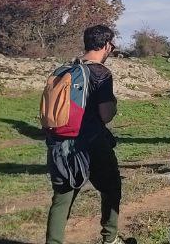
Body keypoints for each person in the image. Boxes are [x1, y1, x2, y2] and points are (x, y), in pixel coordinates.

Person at [44, 25, 123, 244]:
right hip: (91, 143)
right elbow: (106, 115)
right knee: (111, 187)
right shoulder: (101, 73)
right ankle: (110, 238)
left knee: (62, 198)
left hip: (60, 143)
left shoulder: (63, 69)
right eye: (112, 46)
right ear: (106, 45)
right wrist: (113, 104)